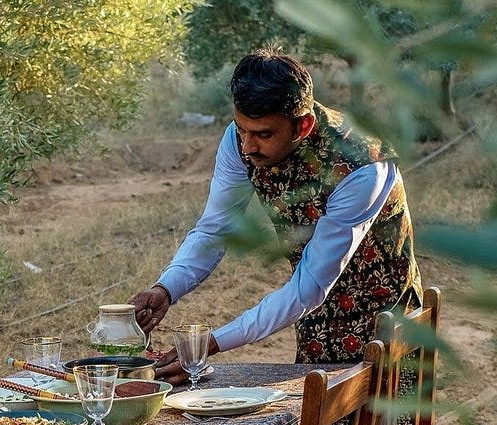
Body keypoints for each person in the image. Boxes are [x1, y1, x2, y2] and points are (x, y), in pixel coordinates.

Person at [132, 49, 421, 378]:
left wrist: (210, 343)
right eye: (242, 130)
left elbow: (308, 287)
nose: (247, 147)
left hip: (383, 316)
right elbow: (215, 229)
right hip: (313, 314)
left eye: (263, 134)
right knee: (315, 423)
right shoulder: (239, 140)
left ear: (303, 125)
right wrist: (165, 289)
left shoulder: (364, 168)